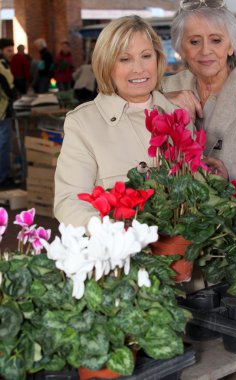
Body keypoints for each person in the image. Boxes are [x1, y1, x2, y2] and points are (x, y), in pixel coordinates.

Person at [54, 15, 183, 228]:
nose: (139, 68)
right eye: (125, 59)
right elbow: (69, 203)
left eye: (146, 56)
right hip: (120, 255)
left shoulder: (179, 117)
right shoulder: (84, 124)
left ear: (158, 59)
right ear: (107, 65)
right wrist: (114, 235)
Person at [162, 0, 236, 181]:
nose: (205, 50)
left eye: (216, 40)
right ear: (181, 48)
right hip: (178, 207)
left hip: (234, 207)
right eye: (194, 41)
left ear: (230, 47)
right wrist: (159, 100)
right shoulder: (165, 88)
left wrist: (232, 174)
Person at [0, 38, 18, 185]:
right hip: (2, 112)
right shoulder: (2, 67)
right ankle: (3, 178)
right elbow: (11, 92)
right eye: (8, 50)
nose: (12, 53)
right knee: (3, 145)